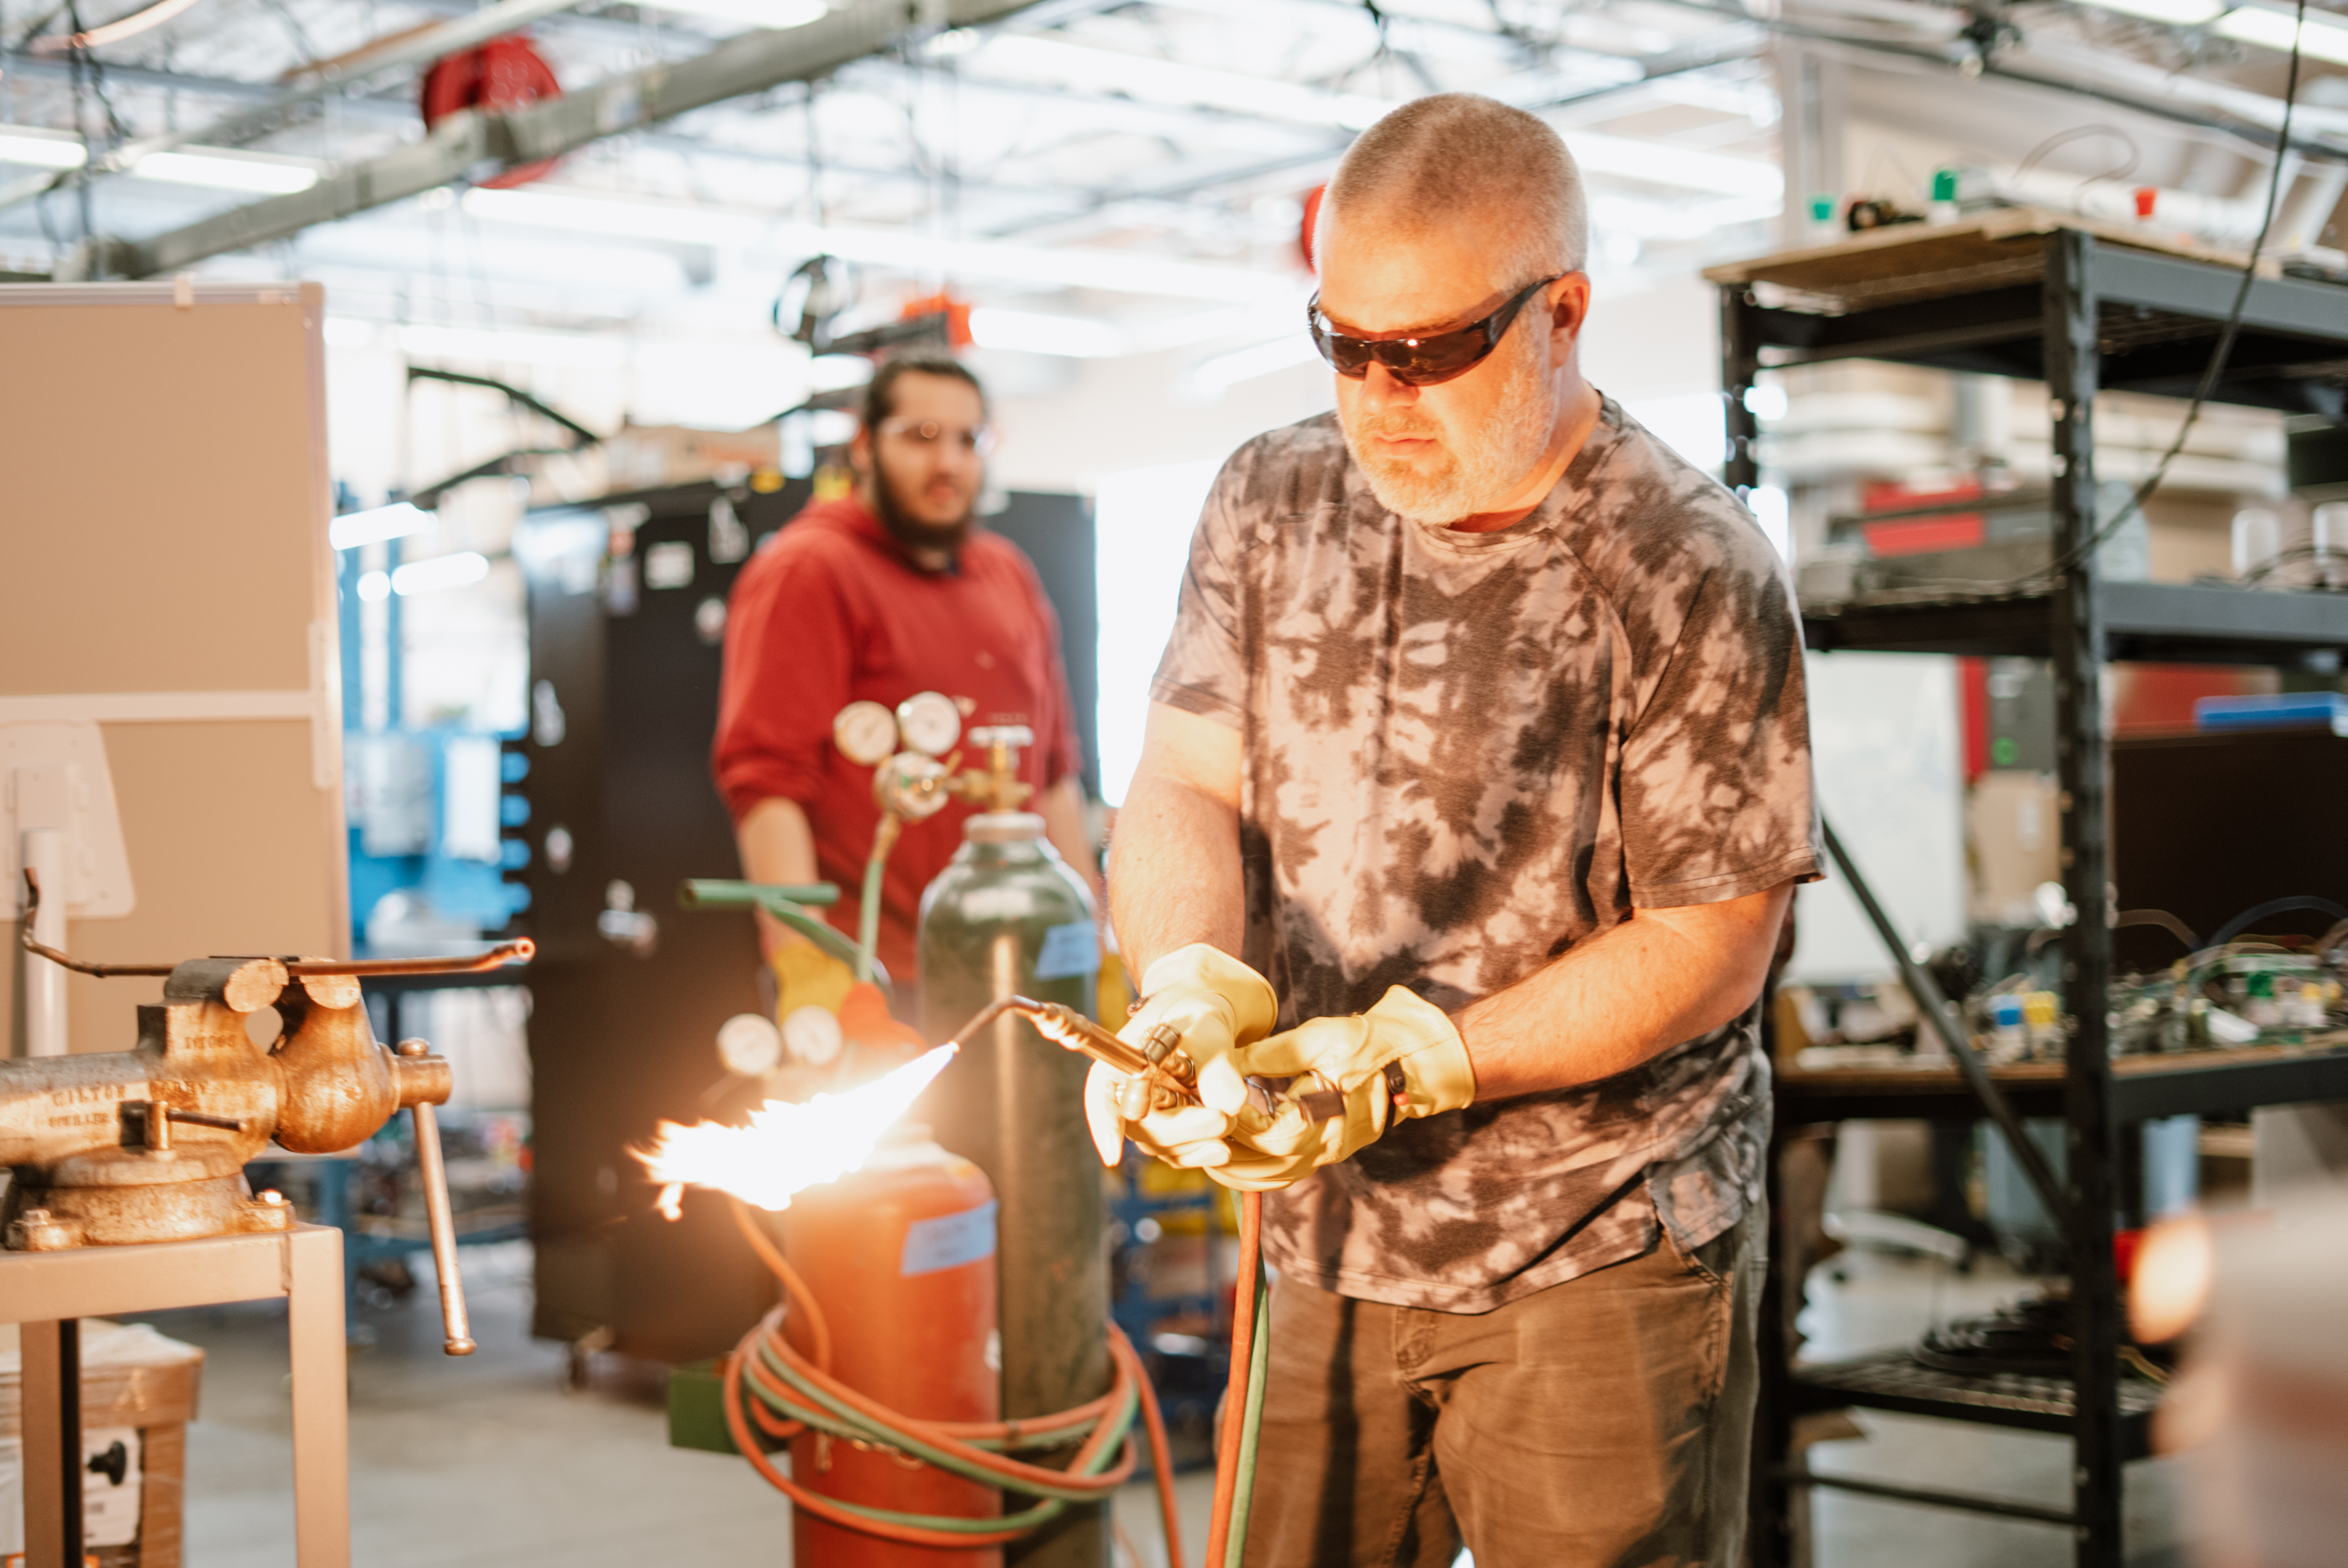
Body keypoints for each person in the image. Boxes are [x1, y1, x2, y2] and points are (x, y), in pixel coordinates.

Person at [1087, 94, 1820, 1567]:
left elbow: (1715, 939)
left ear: (1562, 314)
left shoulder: (1685, 562)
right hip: (1323, 1239)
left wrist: (1421, 1059)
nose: (1381, 399)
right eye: (1344, 344)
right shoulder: (1271, 499)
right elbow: (1184, 780)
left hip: (1594, 1243)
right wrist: (1187, 978)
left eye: (1431, 352)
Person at [713, 353, 1098, 994]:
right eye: (921, 436)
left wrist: (1093, 949)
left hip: (1030, 968)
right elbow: (766, 786)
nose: (948, 462)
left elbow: (1055, 776)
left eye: (967, 440)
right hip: (883, 977)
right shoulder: (810, 570)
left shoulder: (1007, 574)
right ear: (864, 445)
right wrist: (812, 972)